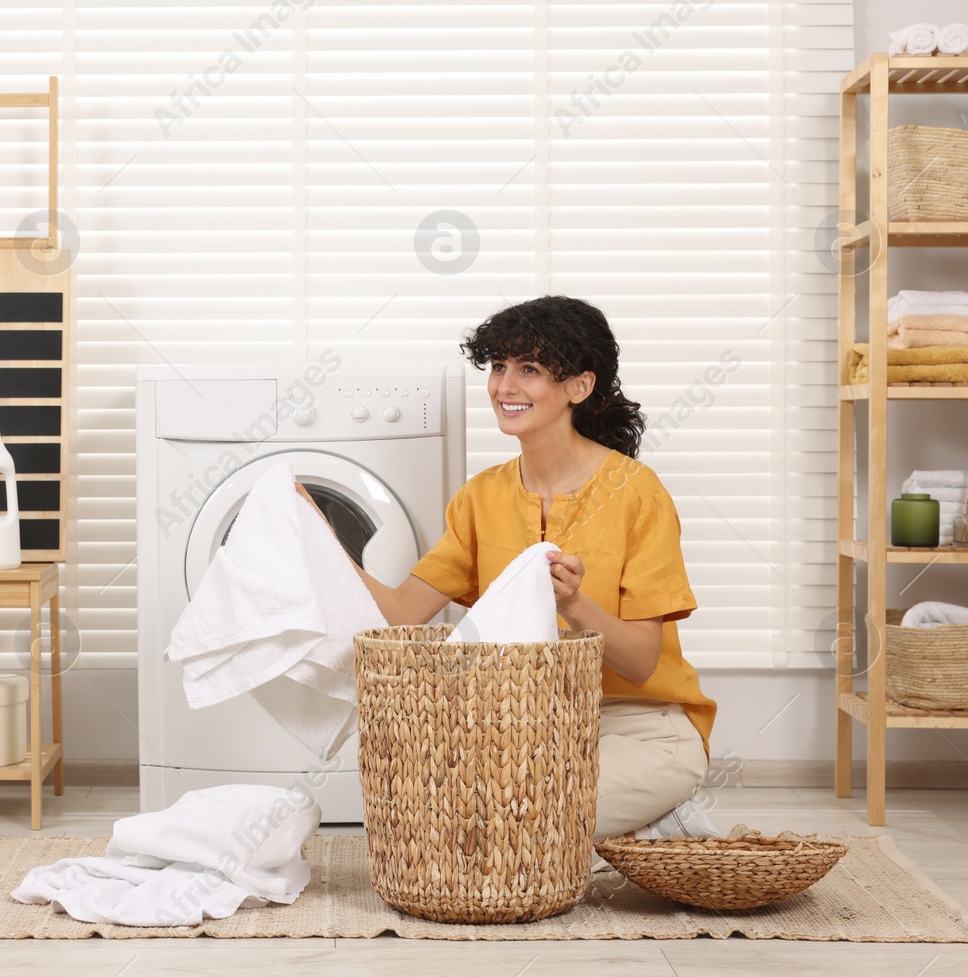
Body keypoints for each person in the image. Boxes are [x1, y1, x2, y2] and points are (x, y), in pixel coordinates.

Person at [302, 295, 718, 840]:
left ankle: (651, 818)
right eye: (498, 366)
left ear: (579, 387)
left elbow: (641, 663)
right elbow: (399, 610)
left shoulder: (637, 493)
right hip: (528, 730)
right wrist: (319, 536)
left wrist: (575, 604)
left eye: (530, 369)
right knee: (445, 821)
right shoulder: (481, 498)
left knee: (512, 825)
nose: (505, 386)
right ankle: (631, 832)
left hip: (643, 727)